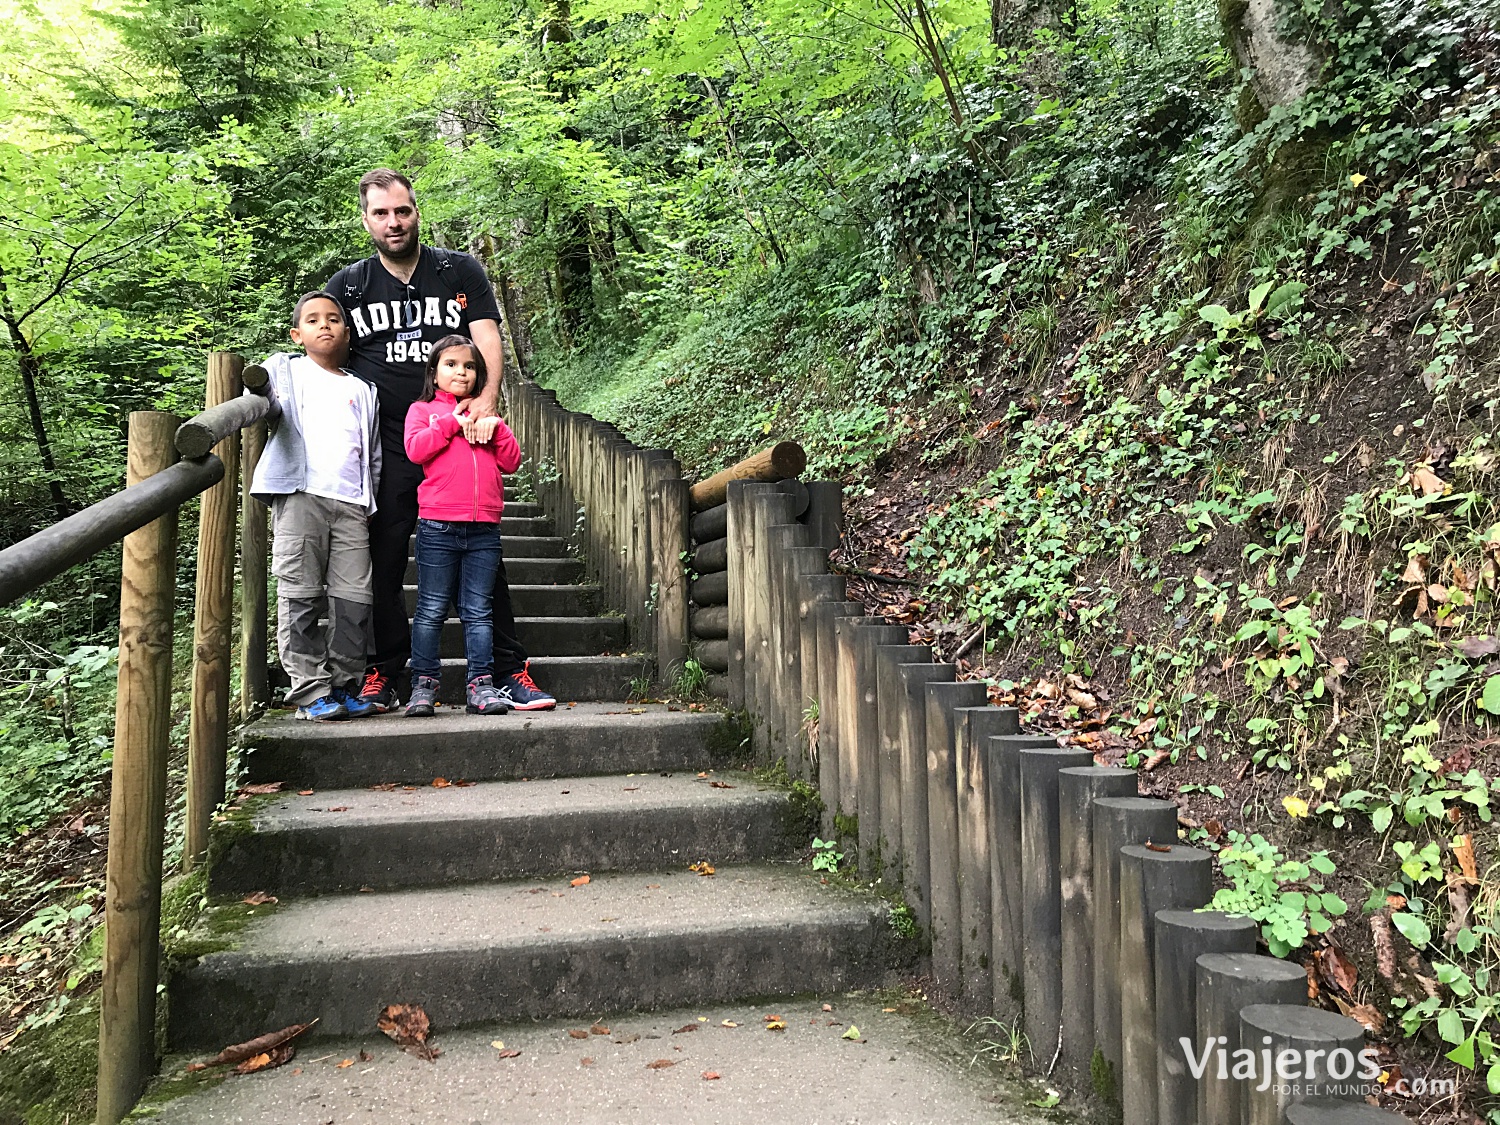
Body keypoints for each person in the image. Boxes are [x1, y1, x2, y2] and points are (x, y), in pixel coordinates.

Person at [325, 168, 556, 712]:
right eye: (381, 213)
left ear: (416, 212)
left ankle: (508, 667)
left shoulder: (458, 269)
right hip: (386, 441)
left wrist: (486, 402)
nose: (393, 222)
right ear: (366, 220)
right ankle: (385, 670)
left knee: (482, 552)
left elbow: (486, 337)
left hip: (458, 440)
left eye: (401, 210)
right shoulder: (351, 285)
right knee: (383, 555)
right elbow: (324, 351)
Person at [249, 292, 382, 721]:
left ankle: (345, 684)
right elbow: (258, 393)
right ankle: (308, 691)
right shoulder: (286, 370)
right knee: (301, 593)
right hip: (300, 494)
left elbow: (372, 451)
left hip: (351, 502)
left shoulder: (362, 388)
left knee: (354, 599)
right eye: (312, 320)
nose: (324, 325)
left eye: (333, 319)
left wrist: (369, 499)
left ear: (347, 331)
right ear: (297, 333)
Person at [403, 336, 522, 716]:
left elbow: (511, 461)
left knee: (478, 611)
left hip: (483, 528)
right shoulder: (423, 411)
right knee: (431, 608)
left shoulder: (485, 413)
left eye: (469, 366)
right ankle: (423, 686)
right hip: (438, 525)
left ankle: (481, 686)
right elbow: (416, 449)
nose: (461, 372)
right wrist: (451, 425)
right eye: (451, 364)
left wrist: (496, 428)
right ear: (434, 372)